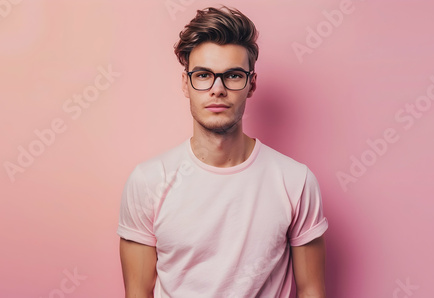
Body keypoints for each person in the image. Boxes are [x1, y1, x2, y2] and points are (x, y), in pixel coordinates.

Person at [117, 6, 328, 298]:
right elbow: (138, 292)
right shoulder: (148, 181)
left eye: (232, 75)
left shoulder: (295, 181)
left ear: (251, 84)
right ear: (186, 84)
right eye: (203, 75)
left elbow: (312, 290)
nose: (217, 89)